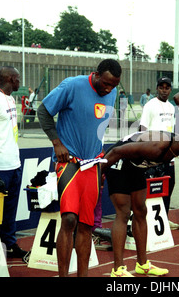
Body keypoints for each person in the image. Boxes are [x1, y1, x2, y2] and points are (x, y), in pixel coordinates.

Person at [37, 59, 121, 277]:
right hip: (69, 164)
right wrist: (57, 143)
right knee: (69, 219)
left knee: (85, 225)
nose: (109, 88)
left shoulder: (112, 93)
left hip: (93, 166)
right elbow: (43, 111)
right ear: (96, 74)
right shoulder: (72, 85)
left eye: (114, 85)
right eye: (106, 83)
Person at [102, 129, 179, 277]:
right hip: (118, 161)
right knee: (123, 213)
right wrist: (98, 175)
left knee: (141, 211)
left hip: (136, 166)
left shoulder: (174, 150)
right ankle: (118, 270)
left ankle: (142, 265)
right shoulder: (158, 146)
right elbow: (117, 151)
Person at [0, 66, 29, 261]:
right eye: (18, 78)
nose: (20, 81)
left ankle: (9, 244)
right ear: (11, 79)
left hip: (13, 163)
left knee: (10, 209)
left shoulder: (10, 98)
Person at [139, 77, 177, 229]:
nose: (164, 90)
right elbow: (142, 129)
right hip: (153, 153)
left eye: (167, 87)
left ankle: (164, 218)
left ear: (170, 90)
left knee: (169, 184)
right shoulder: (150, 105)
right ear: (157, 88)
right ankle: (147, 220)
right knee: (152, 188)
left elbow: (173, 130)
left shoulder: (172, 107)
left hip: (168, 154)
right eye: (161, 87)